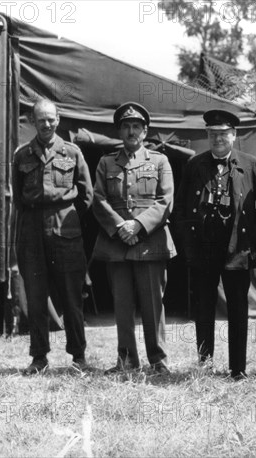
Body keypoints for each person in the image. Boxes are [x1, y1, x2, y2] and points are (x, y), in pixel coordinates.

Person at [174, 109, 256, 379]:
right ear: (207, 135)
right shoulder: (195, 165)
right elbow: (180, 208)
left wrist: (254, 243)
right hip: (203, 249)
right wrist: (188, 246)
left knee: (238, 309)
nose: (218, 139)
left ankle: (237, 369)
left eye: (223, 134)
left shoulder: (250, 164)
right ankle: (204, 366)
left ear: (234, 135)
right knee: (203, 308)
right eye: (213, 134)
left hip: (237, 249)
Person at [92, 102, 175, 375]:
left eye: (136, 126)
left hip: (150, 243)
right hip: (117, 244)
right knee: (122, 305)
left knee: (153, 305)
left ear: (145, 130)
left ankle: (158, 361)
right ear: (120, 131)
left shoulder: (160, 161)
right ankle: (127, 360)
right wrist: (120, 228)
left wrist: (137, 225)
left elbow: (166, 201)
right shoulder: (106, 163)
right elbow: (98, 199)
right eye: (126, 126)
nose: (131, 131)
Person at [12, 99, 93, 375]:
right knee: (35, 298)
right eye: (41, 120)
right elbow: (19, 198)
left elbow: (87, 197)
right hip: (32, 232)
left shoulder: (72, 152)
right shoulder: (22, 155)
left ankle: (79, 357)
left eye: (51, 119)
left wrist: (64, 217)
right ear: (33, 122)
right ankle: (39, 357)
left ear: (58, 119)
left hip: (65, 232)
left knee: (72, 297)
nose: (46, 124)